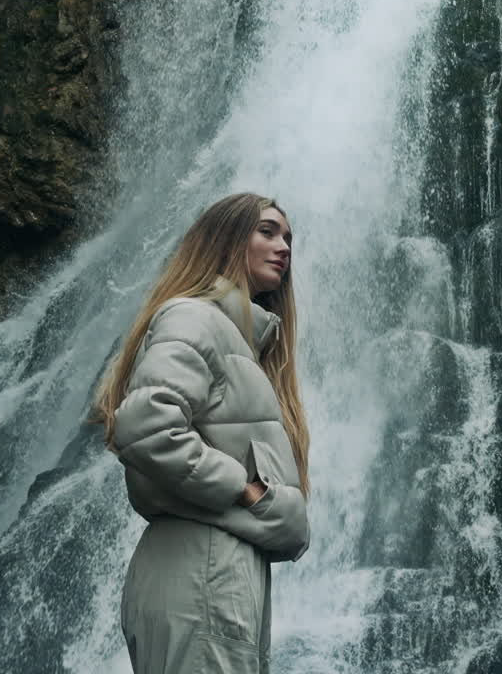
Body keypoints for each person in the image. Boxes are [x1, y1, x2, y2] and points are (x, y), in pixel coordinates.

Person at [91, 192, 312, 673]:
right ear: (225, 239)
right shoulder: (195, 316)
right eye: (267, 231)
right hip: (203, 571)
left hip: (214, 572)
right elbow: (147, 426)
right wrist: (247, 490)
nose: (284, 247)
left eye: (289, 238)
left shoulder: (238, 339)